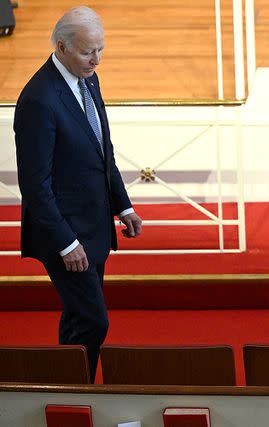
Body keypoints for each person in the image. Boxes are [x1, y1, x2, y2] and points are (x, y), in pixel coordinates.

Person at [14, 6, 142, 382]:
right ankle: (72, 391)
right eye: (88, 52)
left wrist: (123, 204)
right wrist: (66, 244)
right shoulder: (39, 99)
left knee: (79, 320)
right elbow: (35, 186)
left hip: (94, 228)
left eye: (101, 50)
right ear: (61, 46)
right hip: (65, 236)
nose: (96, 60)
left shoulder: (87, 79)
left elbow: (102, 151)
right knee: (92, 320)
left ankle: (73, 392)